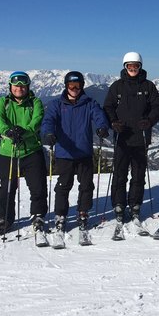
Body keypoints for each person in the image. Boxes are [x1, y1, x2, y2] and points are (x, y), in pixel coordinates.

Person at [41, 71, 110, 232]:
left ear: (82, 86)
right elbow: (48, 120)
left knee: (86, 185)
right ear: (66, 86)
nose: (74, 89)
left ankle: (83, 212)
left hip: (83, 152)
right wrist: (49, 133)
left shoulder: (89, 103)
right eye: (71, 85)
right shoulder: (56, 104)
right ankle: (60, 215)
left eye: (77, 86)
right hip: (65, 153)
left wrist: (102, 127)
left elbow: (99, 116)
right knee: (63, 186)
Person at [103, 52, 159, 223]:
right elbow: (108, 107)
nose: (133, 69)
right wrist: (113, 122)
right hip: (122, 136)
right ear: (125, 67)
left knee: (138, 175)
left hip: (141, 137)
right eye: (129, 66)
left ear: (140, 66)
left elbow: (157, 108)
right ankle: (119, 205)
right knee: (120, 174)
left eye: (135, 66)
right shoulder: (117, 87)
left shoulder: (148, 86)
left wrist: (150, 121)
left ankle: (135, 205)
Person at [0, 71, 48, 235]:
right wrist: (7, 131)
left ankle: (38, 215)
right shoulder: (2, 102)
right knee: (7, 188)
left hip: (31, 151)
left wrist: (23, 132)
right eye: (16, 85)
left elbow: (37, 120)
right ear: (10, 87)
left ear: (28, 87)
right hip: (9, 152)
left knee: (38, 186)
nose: (19, 88)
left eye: (23, 85)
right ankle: (5, 218)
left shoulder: (35, 102)